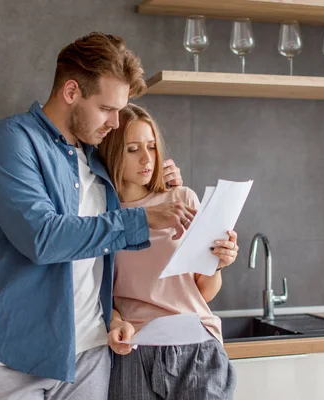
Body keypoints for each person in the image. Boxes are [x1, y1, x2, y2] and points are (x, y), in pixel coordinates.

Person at [0, 32, 195, 400]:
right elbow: (44, 238)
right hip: (7, 359)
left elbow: (101, 253)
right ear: (71, 92)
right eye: (106, 109)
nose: (115, 123)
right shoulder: (8, 143)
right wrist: (143, 220)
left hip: (88, 356)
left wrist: (160, 187)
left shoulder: (97, 162)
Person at [98, 103, 238, 400]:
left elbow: (204, 292)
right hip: (134, 350)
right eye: (132, 149)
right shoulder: (102, 218)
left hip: (197, 348)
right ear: (111, 152)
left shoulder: (182, 198)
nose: (147, 159)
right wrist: (115, 321)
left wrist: (218, 263)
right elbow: (98, 291)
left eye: (151, 146)